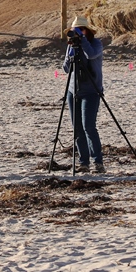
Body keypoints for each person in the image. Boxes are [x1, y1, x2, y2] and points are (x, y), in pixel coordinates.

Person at [61, 15, 104, 174]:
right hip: (74, 91)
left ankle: (98, 162)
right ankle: (83, 162)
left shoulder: (96, 43)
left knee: (88, 126)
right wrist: (72, 48)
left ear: (87, 31)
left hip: (91, 91)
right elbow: (66, 68)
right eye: (74, 30)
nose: (77, 33)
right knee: (77, 128)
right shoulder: (72, 45)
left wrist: (82, 41)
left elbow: (91, 55)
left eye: (80, 29)